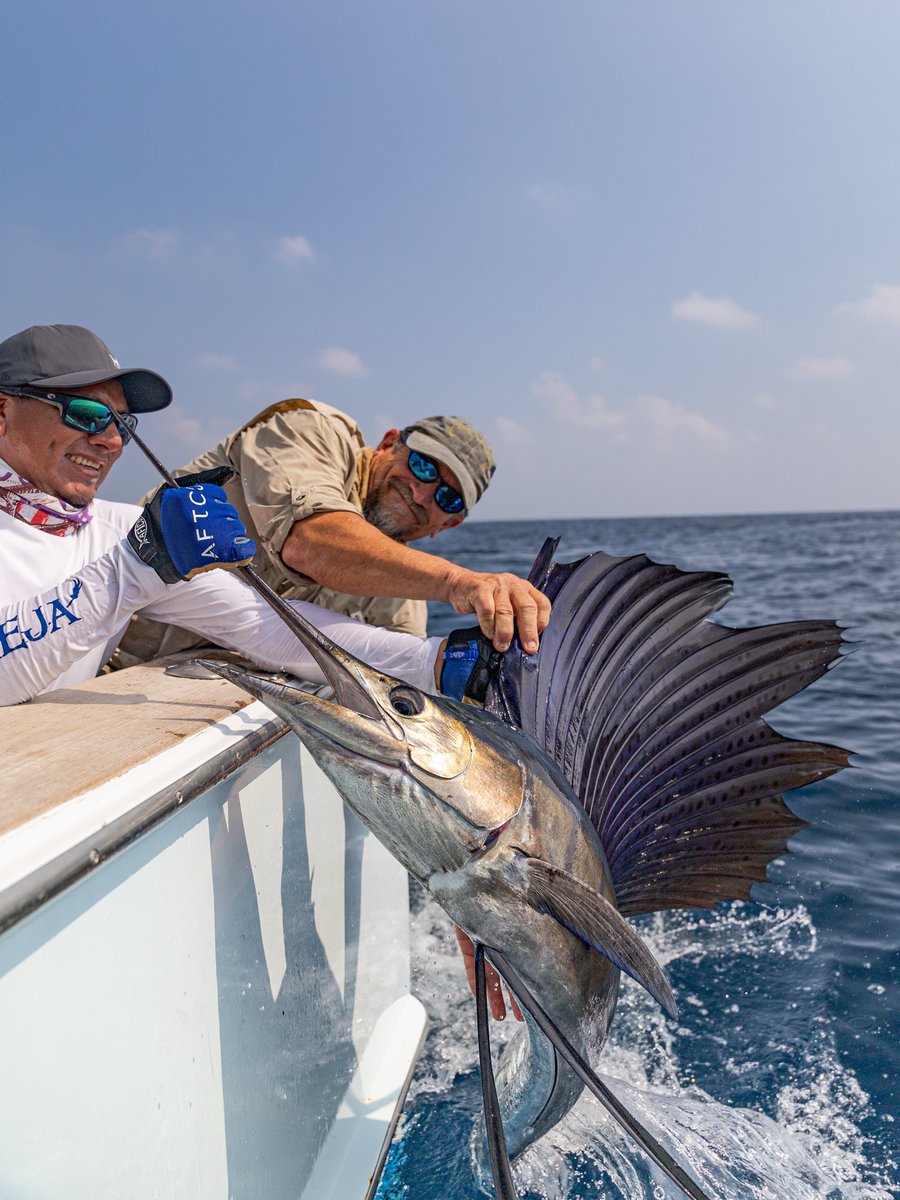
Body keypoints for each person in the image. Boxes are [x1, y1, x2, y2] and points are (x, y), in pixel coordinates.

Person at [0, 323, 532, 1019]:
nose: (110, 440)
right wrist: (135, 570)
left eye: (120, 424)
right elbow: (305, 544)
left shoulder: (108, 528)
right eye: (88, 415)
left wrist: (435, 662)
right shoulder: (133, 542)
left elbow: (269, 627)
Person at [135, 398, 547, 648]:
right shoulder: (311, 429)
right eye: (423, 466)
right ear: (387, 444)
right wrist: (460, 583)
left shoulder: (403, 599)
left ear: (448, 525)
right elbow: (310, 542)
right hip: (102, 648)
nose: (422, 494)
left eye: (446, 496)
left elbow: (401, 682)